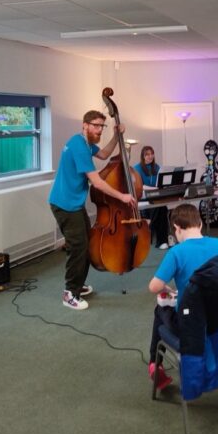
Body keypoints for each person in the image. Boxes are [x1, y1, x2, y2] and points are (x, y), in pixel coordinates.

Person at [49, 110, 136, 310]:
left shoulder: (85, 143)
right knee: (77, 247)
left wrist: (116, 136)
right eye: (95, 125)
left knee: (86, 243)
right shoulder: (79, 146)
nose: (98, 130)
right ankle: (70, 293)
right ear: (85, 125)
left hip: (74, 203)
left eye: (101, 126)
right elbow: (96, 182)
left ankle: (78, 285)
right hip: (64, 204)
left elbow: (104, 154)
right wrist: (123, 196)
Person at [147, 203, 218, 390]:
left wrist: (167, 289)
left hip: (191, 327)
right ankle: (155, 364)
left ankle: (155, 363)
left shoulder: (176, 252)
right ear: (200, 224)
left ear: (176, 228)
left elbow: (153, 287)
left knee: (160, 309)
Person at [133, 146, 170, 249]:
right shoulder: (137, 168)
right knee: (160, 207)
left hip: (155, 196)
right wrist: (155, 188)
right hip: (143, 197)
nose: (150, 156)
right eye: (147, 154)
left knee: (162, 207)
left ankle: (161, 239)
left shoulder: (156, 167)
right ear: (143, 156)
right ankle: (161, 240)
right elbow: (140, 186)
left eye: (152, 154)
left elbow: (160, 181)